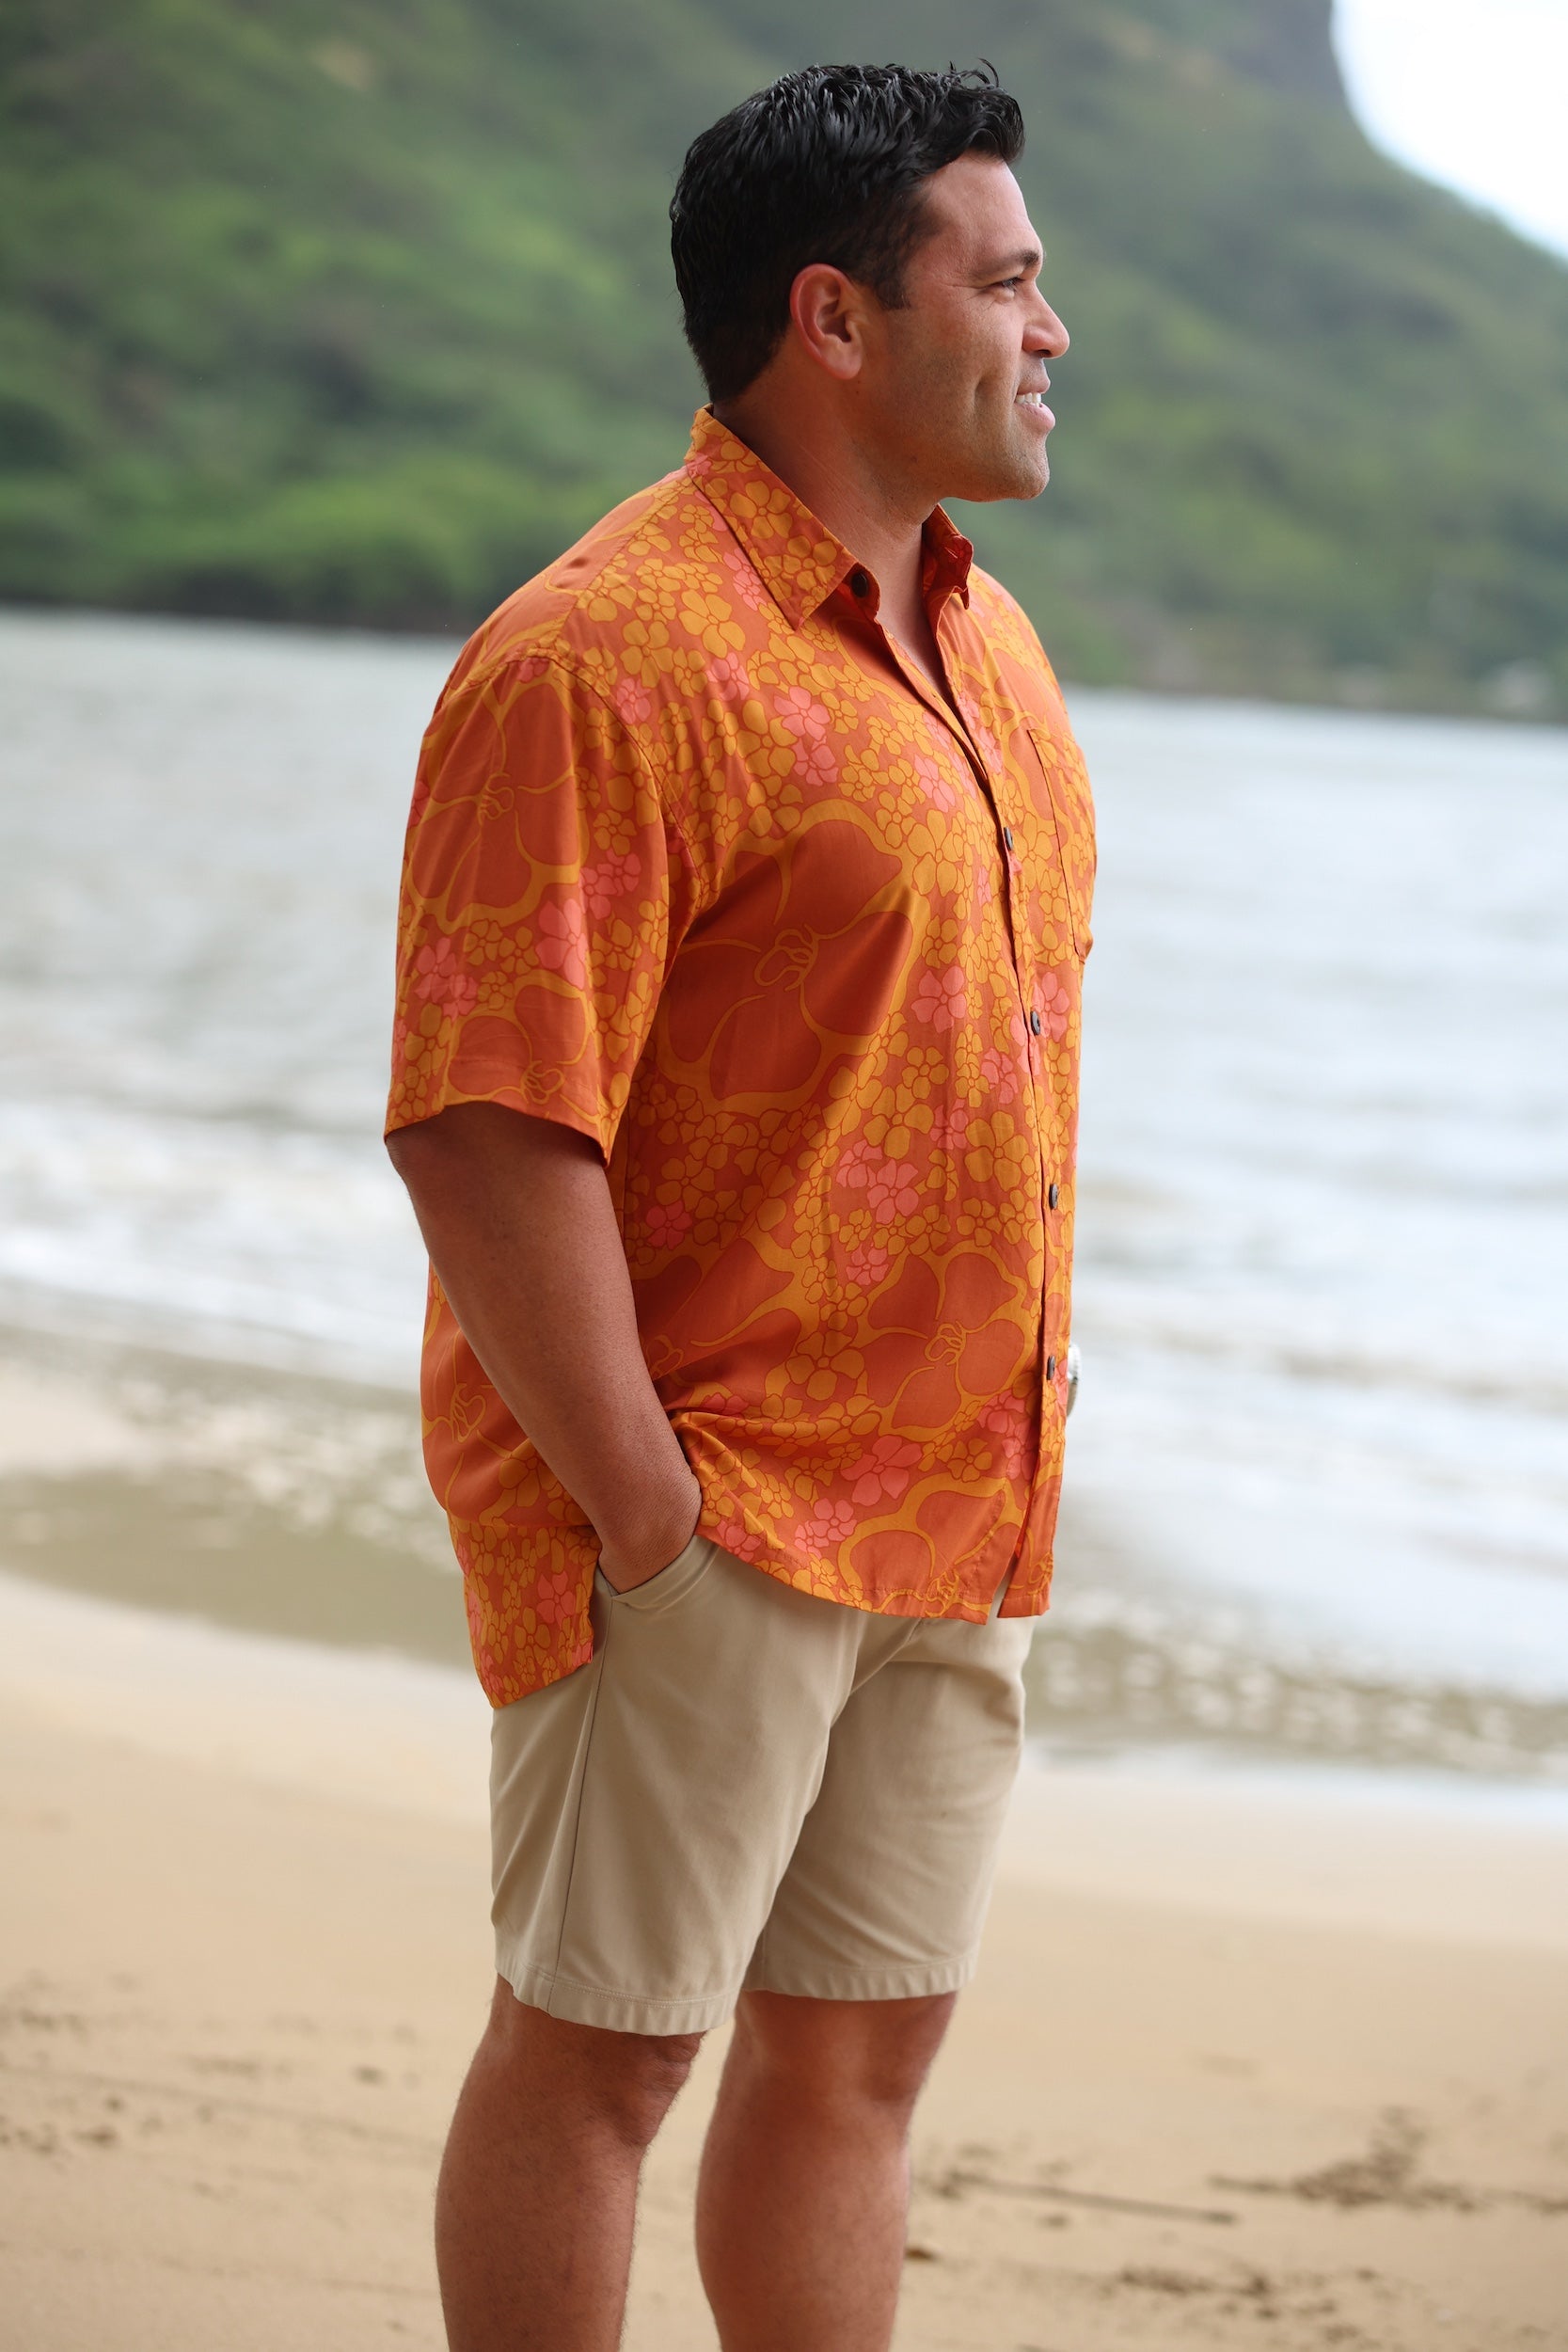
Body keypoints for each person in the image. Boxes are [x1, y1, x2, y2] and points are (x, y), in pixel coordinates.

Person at [385, 60, 1093, 2352]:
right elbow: (487, 1118)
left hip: (959, 1495)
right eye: (1006, 279)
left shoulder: (990, 646)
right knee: (603, 2056)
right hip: (712, 1499)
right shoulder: (598, 655)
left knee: (859, 2060)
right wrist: (644, 1509)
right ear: (837, 318)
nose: (1053, 327)